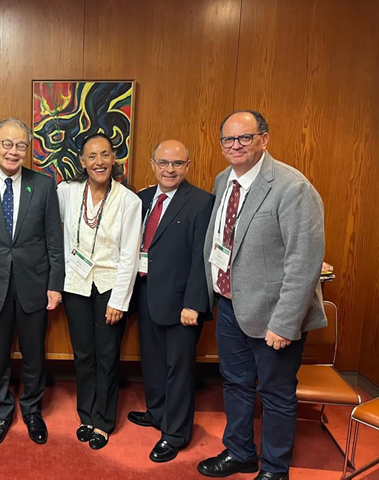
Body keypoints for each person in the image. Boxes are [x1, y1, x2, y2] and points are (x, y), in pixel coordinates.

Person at [197, 111, 327, 480]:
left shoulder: (291, 186)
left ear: (264, 139)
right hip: (229, 306)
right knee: (235, 383)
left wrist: (285, 324)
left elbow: (304, 261)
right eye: (228, 140)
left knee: (275, 394)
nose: (235, 146)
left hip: (274, 316)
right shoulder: (224, 180)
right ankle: (240, 452)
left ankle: (274, 469)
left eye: (245, 138)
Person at [0, 117, 64, 447]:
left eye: (21, 145)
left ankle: (33, 409)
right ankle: (1, 411)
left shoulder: (44, 184)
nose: (13, 151)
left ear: (27, 149)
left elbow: (53, 240)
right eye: (7, 143)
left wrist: (55, 285)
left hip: (35, 284)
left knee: (35, 354)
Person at [127, 140, 214, 462]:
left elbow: (201, 258)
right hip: (146, 293)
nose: (170, 169)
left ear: (188, 166)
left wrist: (194, 303)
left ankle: (176, 433)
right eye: (163, 162)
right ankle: (157, 412)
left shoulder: (202, 202)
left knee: (178, 369)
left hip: (181, 303)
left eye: (177, 163)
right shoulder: (144, 198)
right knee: (151, 360)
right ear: (153, 164)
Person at [57, 133, 142, 450]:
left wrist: (119, 300)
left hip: (110, 287)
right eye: (92, 156)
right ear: (82, 161)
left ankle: (103, 421)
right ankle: (86, 415)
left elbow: (130, 256)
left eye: (105, 155)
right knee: (83, 354)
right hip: (76, 285)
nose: (99, 162)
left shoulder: (128, 200)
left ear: (114, 158)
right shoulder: (66, 192)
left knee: (107, 356)